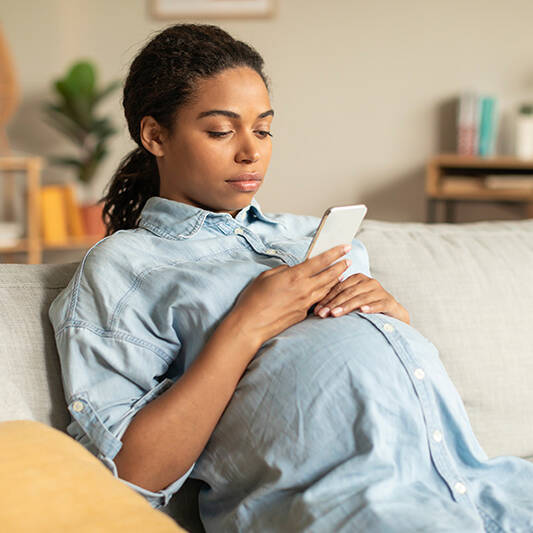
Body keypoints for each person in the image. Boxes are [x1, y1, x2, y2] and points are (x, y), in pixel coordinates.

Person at [48, 23, 533, 533]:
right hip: (362, 512)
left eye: (262, 129)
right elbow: (124, 476)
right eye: (220, 131)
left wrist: (395, 321)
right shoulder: (125, 268)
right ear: (155, 135)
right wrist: (246, 326)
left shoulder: (308, 236)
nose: (250, 151)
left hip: (488, 488)